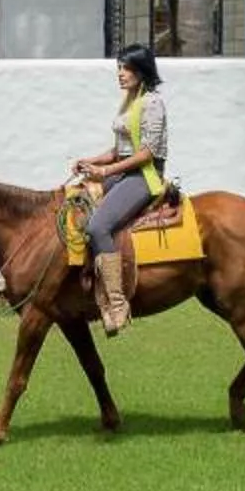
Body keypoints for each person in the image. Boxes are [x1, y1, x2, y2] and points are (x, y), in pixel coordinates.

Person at [70, 44, 168, 336]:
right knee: (76, 200)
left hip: (143, 177)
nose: (120, 74)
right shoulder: (130, 102)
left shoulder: (152, 103)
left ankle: (117, 304)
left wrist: (105, 172)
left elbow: (147, 153)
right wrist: (90, 161)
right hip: (124, 173)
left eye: (126, 68)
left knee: (98, 226)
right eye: (119, 68)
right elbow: (120, 150)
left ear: (141, 71)